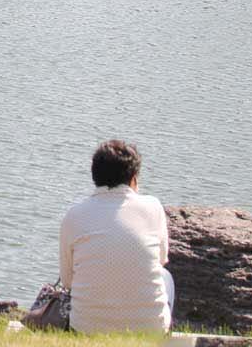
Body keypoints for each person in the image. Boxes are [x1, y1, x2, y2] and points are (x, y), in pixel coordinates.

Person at [59, 139, 174, 333]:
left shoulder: (74, 215)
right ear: (133, 179)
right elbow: (161, 260)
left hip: (85, 328)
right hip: (150, 329)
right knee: (166, 276)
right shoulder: (153, 207)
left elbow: (68, 281)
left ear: (95, 177)